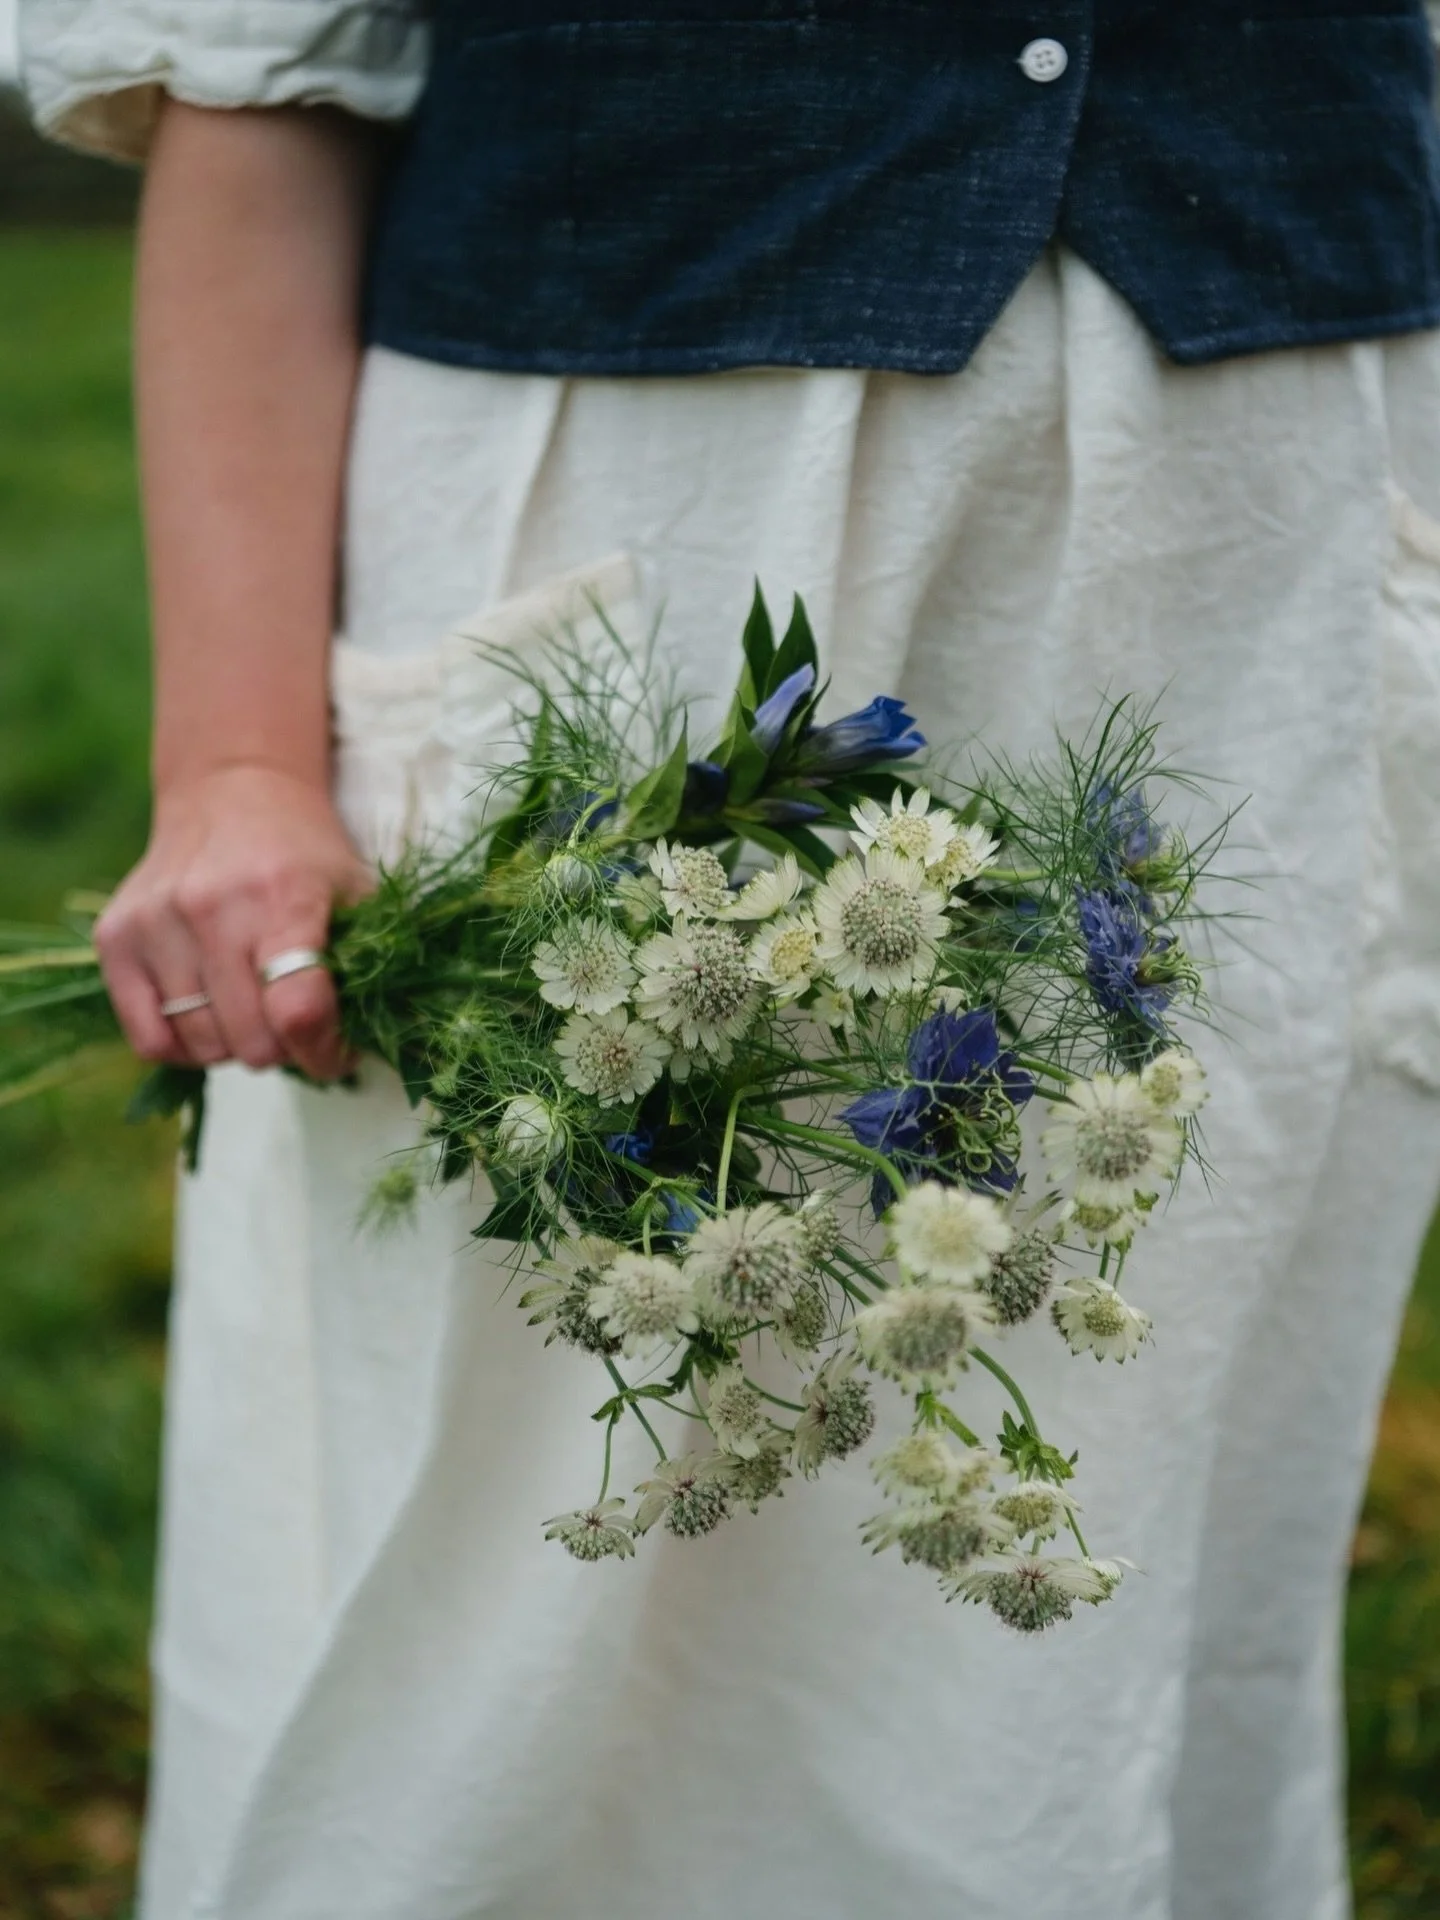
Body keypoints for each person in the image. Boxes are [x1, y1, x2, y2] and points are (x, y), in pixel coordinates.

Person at [19, 5, 1440, 1917]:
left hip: (1255, 543)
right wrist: (240, 761)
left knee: (1144, 1446)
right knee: (516, 1518)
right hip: (648, 541)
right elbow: (254, 80)